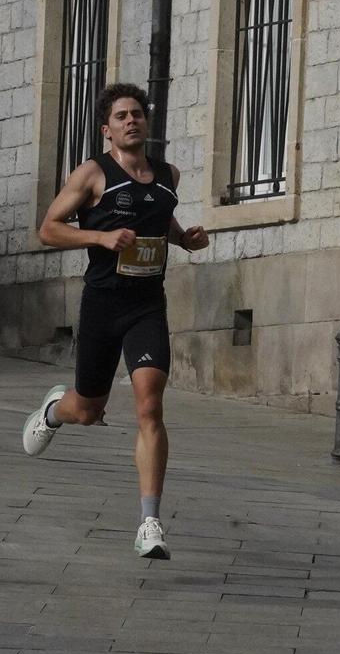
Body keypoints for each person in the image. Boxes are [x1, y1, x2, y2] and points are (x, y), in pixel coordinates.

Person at [22, 83, 208, 559]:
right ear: (106, 129)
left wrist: (183, 239)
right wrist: (99, 239)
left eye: (138, 114)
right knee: (88, 410)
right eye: (122, 116)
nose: (132, 121)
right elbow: (47, 229)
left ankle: (150, 522)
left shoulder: (169, 175)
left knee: (150, 407)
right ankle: (53, 411)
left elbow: (159, 218)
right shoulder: (92, 174)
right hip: (103, 304)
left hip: (148, 305)